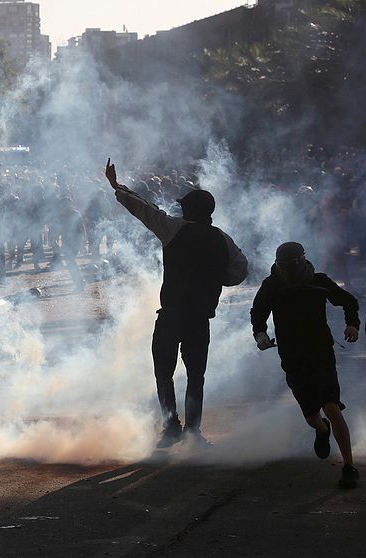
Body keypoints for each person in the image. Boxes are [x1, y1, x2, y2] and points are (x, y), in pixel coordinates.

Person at [105, 159, 249, 447]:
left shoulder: (174, 229)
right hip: (200, 317)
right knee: (196, 375)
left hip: (172, 314)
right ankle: (193, 433)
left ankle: (171, 427)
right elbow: (240, 271)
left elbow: (144, 210)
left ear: (189, 210)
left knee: (163, 371)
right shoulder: (222, 239)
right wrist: (212, 279)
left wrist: (116, 186)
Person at [250, 242, 359, 488]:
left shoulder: (319, 282)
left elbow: (348, 301)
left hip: (321, 352)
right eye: (284, 265)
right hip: (292, 356)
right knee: (311, 414)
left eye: (293, 263)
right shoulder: (272, 286)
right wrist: (260, 335)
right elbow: (258, 314)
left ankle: (349, 466)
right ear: (277, 265)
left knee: (331, 405)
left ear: (303, 260)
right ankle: (322, 430)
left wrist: (352, 324)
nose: (289, 269)